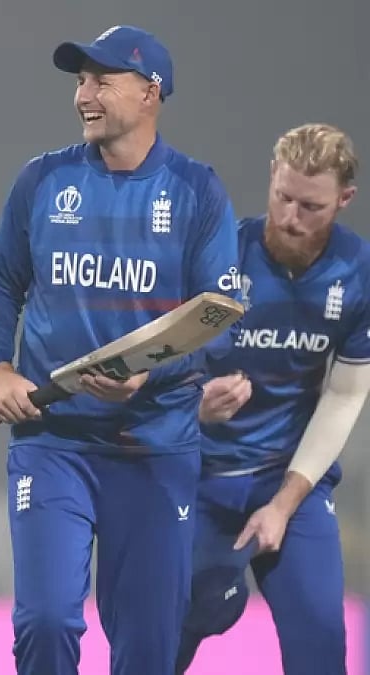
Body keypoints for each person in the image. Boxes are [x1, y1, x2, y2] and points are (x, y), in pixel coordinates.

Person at [0, 25, 245, 675]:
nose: (83, 96)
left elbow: (219, 320)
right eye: (79, 82)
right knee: (45, 621)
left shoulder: (198, 193)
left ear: (150, 93)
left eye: (101, 80)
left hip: (155, 448)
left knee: (148, 648)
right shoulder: (42, 180)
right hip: (53, 440)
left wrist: (146, 377)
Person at [175, 123, 366, 675]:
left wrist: (282, 506)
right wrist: (195, 405)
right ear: (271, 181)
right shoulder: (217, 259)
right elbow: (159, 370)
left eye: (312, 206)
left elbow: (347, 394)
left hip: (291, 484)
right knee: (171, 632)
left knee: (322, 640)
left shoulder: (359, 275)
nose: (290, 218)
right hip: (201, 478)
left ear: (344, 201)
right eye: (283, 197)